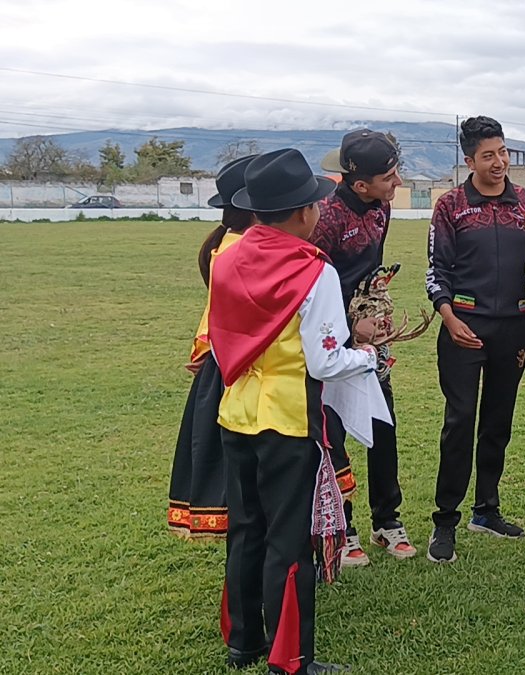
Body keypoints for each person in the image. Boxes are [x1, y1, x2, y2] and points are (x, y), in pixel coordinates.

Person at [210, 148, 382, 673]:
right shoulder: (314, 270)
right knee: (288, 538)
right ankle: (292, 658)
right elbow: (326, 360)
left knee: (246, 528)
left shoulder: (228, 256)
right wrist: (367, 356)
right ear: (303, 212)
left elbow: (221, 341)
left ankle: (243, 640)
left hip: (235, 411)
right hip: (288, 419)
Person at [424, 116, 525, 563]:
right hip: (464, 328)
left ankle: (487, 510)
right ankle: (445, 520)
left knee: (498, 422)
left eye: (503, 153)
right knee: (459, 422)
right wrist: (449, 316)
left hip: (512, 328)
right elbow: (435, 269)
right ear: (469, 160)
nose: (499, 163)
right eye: (488, 156)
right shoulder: (451, 205)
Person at [311, 129, 413, 566]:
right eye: (389, 177)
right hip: (333, 339)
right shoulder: (326, 219)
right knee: (336, 431)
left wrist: (375, 311)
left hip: (373, 335)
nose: (397, 183)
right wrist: (353, 326)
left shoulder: (382, 207)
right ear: (359, 184)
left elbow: (370, 271)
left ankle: (386, 521)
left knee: (381, 422)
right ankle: (344, 525)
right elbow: (313, 286)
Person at [167, 154, 257, 539]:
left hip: (226, 368)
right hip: (240, 374)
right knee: (249, 489)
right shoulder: (240, 251)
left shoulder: (228, 244)